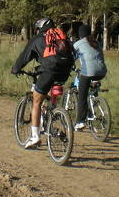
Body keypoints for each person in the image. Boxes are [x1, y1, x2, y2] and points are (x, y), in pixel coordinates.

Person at [11, 17, 73, 148]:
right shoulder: (60, 37)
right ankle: (53, 113)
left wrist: (16, 69)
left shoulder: (38, 39)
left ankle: (35, 137)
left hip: (50, 70)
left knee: (36, 100)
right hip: (65, 71)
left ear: (40, 28)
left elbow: (24, 57)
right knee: (48, 92)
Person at [72, 24, 107, 131]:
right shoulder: (96, 42)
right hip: (102, 72)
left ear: (80, 34)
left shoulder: (77, 44)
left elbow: (71, 57)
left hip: (88, 72)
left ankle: (80, 122)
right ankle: (93, 105)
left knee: (82, 96)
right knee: (91, 89)